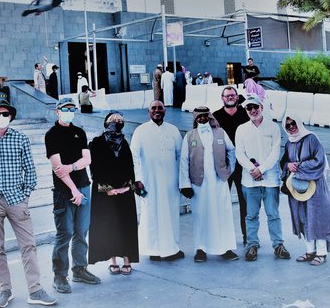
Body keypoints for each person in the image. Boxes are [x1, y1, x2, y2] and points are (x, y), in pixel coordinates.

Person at [0, 87, 57, 308]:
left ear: (11, 116)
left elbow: (31, 173)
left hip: (17, 200)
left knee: (29, 245)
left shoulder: (20, 139)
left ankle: (35, 290)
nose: (1, 117)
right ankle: (4, 290)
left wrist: (23, 197)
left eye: (5, 114)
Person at [45, 97, 101, 293]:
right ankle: (60, 275)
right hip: (64, 192)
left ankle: (79, 269)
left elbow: (88, 159)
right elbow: (58, 169)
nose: (69, 111)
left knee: (81, 231)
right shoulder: (52, 135)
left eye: (72, 108)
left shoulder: (79, 132)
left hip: (84, 186)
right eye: (65, 108)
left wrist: (73, 167)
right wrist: (73, 190)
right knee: (65, 233)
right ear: (57, 111)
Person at [179, 106, 239, 262]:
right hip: (199, 185)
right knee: (201, 216)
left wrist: (229, 169)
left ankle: (225, 248)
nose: (202, 119)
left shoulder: (220, 132)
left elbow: (232, 150)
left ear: (209, 117)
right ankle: (201, 249)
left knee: (223, 214)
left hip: (219, 182)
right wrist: (185, 184)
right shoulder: (189, 136)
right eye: (199, 117)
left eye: (205, 116)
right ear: (195, 119)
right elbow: (184, 161)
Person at [234, 94, 290, 261]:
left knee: (273, 214)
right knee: (251, 215)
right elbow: (239, 153)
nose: (253, 110)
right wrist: (253, 169)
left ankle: (278, 245)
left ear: (262, 108)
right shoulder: (241, 129)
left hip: (270, 179)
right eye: (249, 108)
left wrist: (262, 169)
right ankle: (252, 245)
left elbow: (275, 152)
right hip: (249, 180)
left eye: (255, 107)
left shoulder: (273, 127)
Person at [280, 111, 330, 266]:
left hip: (315, 186)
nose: (291, 127)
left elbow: (319, 161)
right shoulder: (289, 142)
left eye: (293, 123)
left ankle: (321, 253)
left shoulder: (311, 138)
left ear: (299, 122)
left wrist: (299, 166)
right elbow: (284, 162)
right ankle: (310, 251)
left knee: (317, 217)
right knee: (303, 217)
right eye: (288, 125)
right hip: (298, 188)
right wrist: (288, 165)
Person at [130, 100, 185, 261]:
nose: (157, 110)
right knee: (151, 215)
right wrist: (137, 179)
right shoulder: (140, 131)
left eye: (160, 108)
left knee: (171, 214)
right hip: (148, 181)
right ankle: (153, 250)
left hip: (170, 181)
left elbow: (181, 157)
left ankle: (172, 249)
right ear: (149, 111)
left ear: (165, 111)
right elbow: (134, 157)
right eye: (153, 108)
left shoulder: (173, 131)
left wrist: (182, 181)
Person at [88, 111, 140, 276]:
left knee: (126, 225)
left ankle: (127, 260)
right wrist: (107, 189)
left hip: (124, 191)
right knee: (109, 226)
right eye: (113, 119)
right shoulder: (96, 143)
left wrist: (127, 187)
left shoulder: (124, 143)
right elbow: (94, 169)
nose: (116, 122)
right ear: (105, 122)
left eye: (120, 120)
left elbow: (130, 168)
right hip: (105, 192)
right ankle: (113, 261)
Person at [212, 85, 250, 245]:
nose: (229, 98)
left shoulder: (246, 114)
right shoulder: (215, 116)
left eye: (232, 95)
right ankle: (222, 238)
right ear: (222, 98)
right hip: (223, 167)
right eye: (226, 96)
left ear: (237, 97)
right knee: (222, 202)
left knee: (245, 203)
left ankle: (248, 237)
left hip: (243, 165)